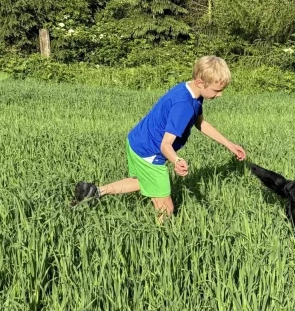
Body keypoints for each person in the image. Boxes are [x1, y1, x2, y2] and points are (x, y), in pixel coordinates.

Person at [71, 56, 246, 222]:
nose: (220, 94)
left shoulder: (191, 91)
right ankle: (163, 242)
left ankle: (94, 192)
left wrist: (229, 145)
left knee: (143, 181)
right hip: (150, 151)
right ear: (201, 82)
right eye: (217, 90)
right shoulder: (183, 105)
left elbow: (200, 123)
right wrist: (177, 160)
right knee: (166, 209)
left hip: (137, 140)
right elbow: (165, 145)